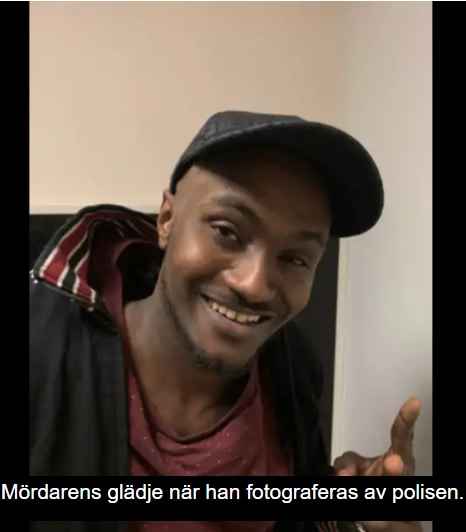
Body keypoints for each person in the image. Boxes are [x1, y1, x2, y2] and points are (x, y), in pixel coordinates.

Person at [29, 111, 422, 532]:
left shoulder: (292, 368)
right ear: (167, 219)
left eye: (295, 258)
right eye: (227, 232)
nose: (255, 285)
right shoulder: (42, 355)